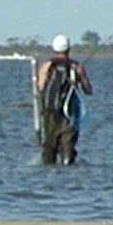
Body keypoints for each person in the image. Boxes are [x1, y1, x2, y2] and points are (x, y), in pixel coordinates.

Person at [36, 33, 92, 165]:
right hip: (69, 114)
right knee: (68, 150)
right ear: (69, 49)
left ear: (54, 49)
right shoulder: (76, 67)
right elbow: (88, 90)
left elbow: (40, 89)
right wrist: (81, 76)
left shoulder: (46, 67)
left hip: (50, 114)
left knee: (49, 148)